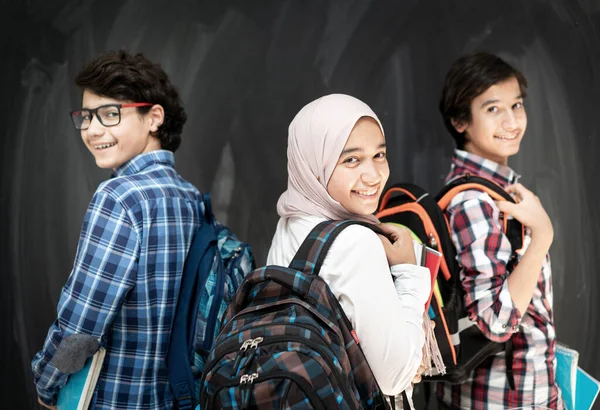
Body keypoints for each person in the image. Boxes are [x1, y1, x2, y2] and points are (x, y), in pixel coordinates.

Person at [31, 50, 203, 410]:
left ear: (154, 117)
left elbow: (81, 327)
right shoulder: (191, 198)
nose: (93, 129)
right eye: (86, 117)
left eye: (110, 114)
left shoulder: (119, 197)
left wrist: (47, 383)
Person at [267, 93, 431, 407]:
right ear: (313, 165)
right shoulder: (357, 242)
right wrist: (409, 271)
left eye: (379, 155)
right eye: (351, 160)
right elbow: (395, 376)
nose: (373, 176)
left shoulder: (290, 224)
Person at [436, 52, 562, 409]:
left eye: (516, 105)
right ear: (460, 120)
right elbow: (495, 320)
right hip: (503, 401)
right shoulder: (475, 200)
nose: (512, 121)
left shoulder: (495, 191)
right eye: (493, 109)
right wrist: (543, 237)